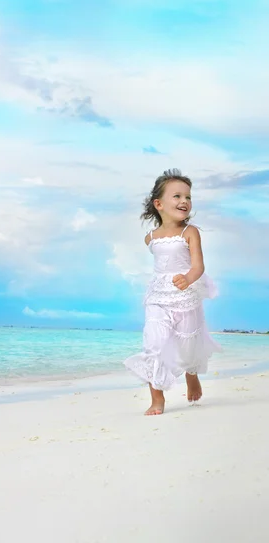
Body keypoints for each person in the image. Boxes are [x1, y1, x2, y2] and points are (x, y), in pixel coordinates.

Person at [124, 168, 221, 415]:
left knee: (188, 344)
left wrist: (188, 279)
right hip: (158, 296)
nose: (184, 202)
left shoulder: (189, 232)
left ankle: (191, 374)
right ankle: (157, 399)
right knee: (153, 344)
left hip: (186, 295)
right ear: (159, 204)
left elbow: (198, 266)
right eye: (177, 196)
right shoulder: (151, 238)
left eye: (188, 197)